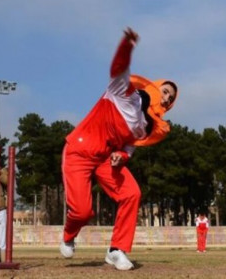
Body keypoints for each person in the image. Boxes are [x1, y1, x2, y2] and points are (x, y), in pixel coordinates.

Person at [59, 28, 178, 271]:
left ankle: (116, 250)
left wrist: (121, 156)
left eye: (171, 98)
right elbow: (119, 67)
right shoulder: (124, 92)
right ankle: (69, 235)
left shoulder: (146, 126)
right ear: (154, 87)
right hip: (79, 152)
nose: (167, 99)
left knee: (131, 193)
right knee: (82, 212)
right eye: (165, 91)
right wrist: (127, 45)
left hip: (105, 159)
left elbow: (129, 147)